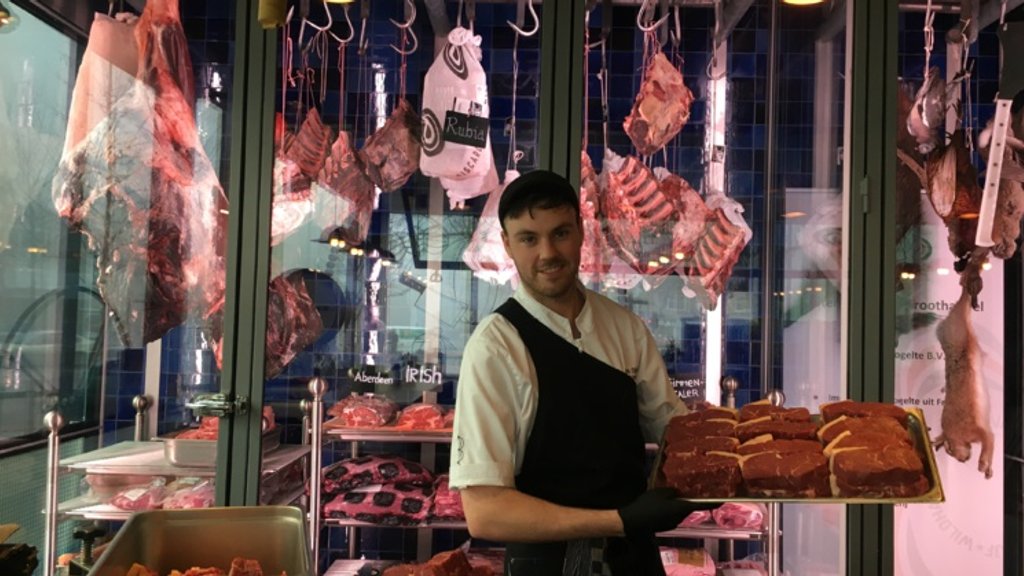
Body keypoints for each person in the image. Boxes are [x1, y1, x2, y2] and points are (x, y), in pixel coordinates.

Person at [449, 169, 714, 576]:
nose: (547, 253)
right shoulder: (495, 347)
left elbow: (673, 432)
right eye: (528, 239)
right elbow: (486, 513)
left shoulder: (624, 328)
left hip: (634, 563)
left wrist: (727, 460)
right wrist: (620, 521)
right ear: (507, 244)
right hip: (546, 566)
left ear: (581, 232)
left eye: (560, 233)